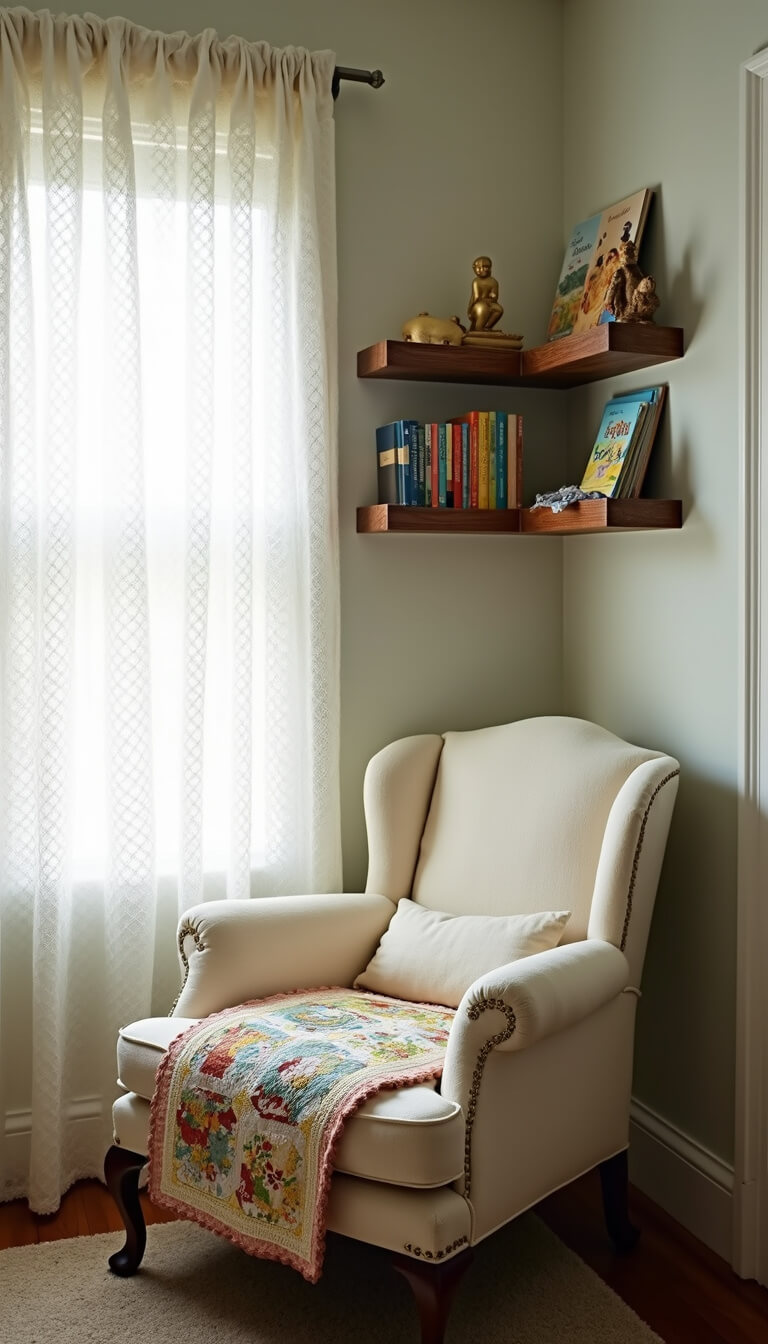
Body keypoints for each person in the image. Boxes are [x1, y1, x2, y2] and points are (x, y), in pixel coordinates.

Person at [467, 256, 503, 331]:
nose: (482, 270)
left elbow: (495, 297)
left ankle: (487, 327)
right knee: (483, 308)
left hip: (488, 303)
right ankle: (478, 329)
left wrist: (491, 297)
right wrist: (470, 310)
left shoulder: (493, 282)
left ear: (489, 268)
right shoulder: (476, 281)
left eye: (485, 267)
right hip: (479, 305)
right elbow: (476, 298)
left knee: (499, 309)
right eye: (479, 267)